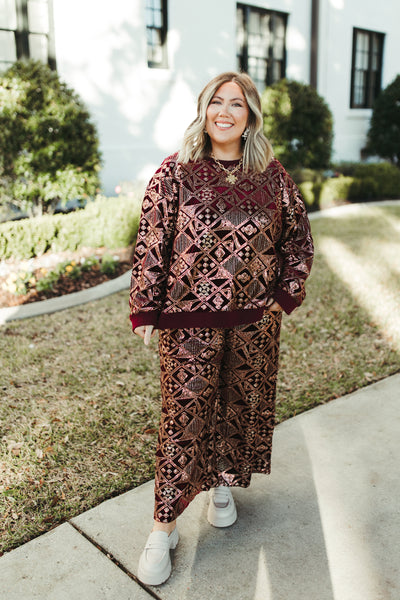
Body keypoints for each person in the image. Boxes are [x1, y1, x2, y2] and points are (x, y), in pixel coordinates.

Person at [129, 71, 314, 586]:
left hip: (254, 326)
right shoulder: (176, 172)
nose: (225, 112)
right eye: (217, 102)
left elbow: (299, 241)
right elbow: (151, 240)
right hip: (188, 325)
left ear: (250, 115)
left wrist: (281, 297)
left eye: (237, 103)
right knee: (183, 424)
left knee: (237, 411)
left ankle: (222, 484)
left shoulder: (273, 176)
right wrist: (146, 309)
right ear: (203, 109)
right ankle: (162, 528)